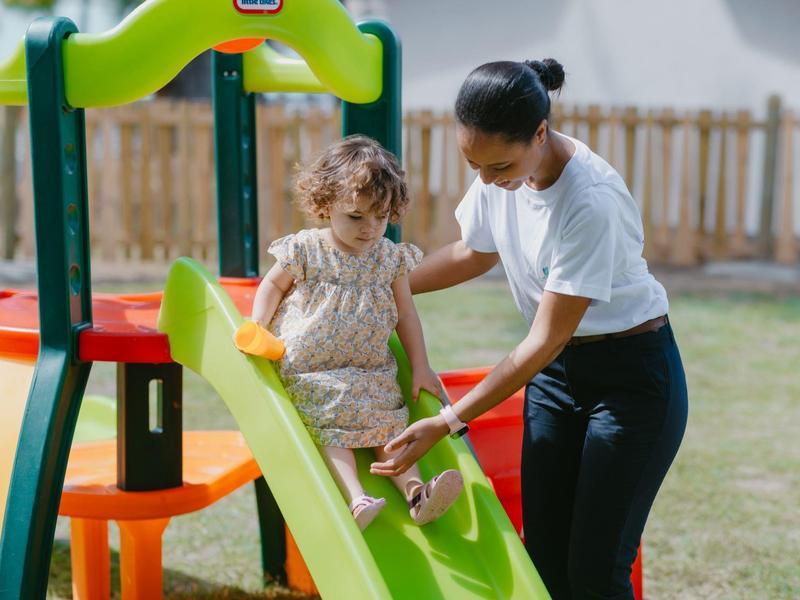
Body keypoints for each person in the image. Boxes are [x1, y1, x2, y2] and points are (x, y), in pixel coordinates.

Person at [370, 59, 688, 599]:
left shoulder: (589, 201)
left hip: (631, 385)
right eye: (475, 165)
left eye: (499, 166)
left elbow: (545, 339)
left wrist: (446, 422)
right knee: (542, 558)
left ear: (540, 133)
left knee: (594, 572)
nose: (490, 181)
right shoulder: (500, 172)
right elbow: (473, 251)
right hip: (558, 380)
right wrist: (381, 286)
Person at [251, 135, 463, 531]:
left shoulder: (389, 258)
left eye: (380, 217)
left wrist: (420, 366)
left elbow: (406, 314)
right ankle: (356, 497)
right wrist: (258, 324)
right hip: (312, 368)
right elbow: (273, 286)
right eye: (356, 216)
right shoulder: (306, 249)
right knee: (331, 421)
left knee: (388, 421)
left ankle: (417, 493)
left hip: (368, 368)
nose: (370, 229)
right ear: (326, 205)